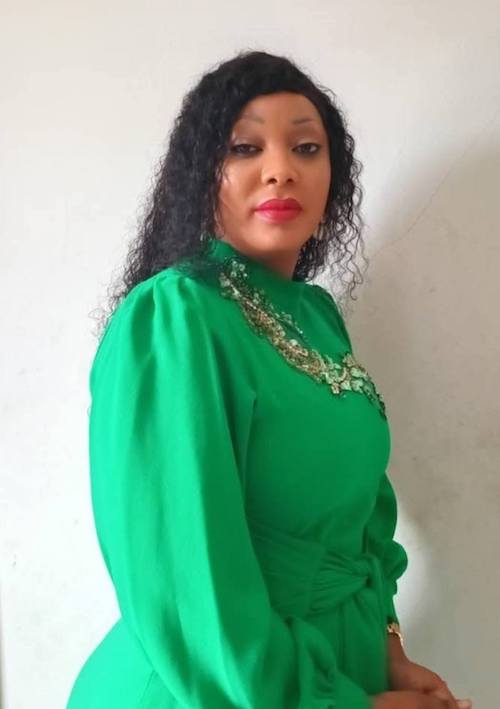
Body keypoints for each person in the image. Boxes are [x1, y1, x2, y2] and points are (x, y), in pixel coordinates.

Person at [66, 50, 473, 709]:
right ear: (202, 173)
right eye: (245, 147)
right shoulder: (176, 316)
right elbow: (187, 581)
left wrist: (388, 652)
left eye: (306, 147)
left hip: (339, 669)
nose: (281, 168)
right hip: (214, 690)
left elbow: (363, 518)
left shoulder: (317, 316)